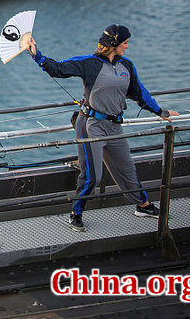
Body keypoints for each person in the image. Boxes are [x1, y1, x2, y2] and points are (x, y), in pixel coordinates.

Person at [27, 24, 179, 233]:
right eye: (125, 43)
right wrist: (37, 55)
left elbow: (139, 93)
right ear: (114, 44)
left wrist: (160, 112)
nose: (127, 46)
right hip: (91, 126)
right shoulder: (89, 63)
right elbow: (59, 69)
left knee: (127, 170)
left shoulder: (127, 65)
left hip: (114, 127)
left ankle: (142, 206)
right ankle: (75, 214)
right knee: (93, 176)